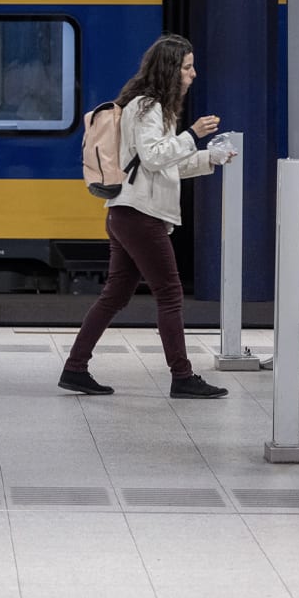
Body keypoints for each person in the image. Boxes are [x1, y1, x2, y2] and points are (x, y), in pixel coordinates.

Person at [59, 34, 236, 399]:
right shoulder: (147, 107)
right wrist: (193, 134)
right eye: (187, 67)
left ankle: (75, 368)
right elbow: (156, 157)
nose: (193, 74)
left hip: (128, 213)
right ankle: (182, 377)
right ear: (171, 69)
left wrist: (209, 159)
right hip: (140, 215)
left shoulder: (153, 108)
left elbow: (163, 165)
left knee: (115, 295)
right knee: (169, 294)